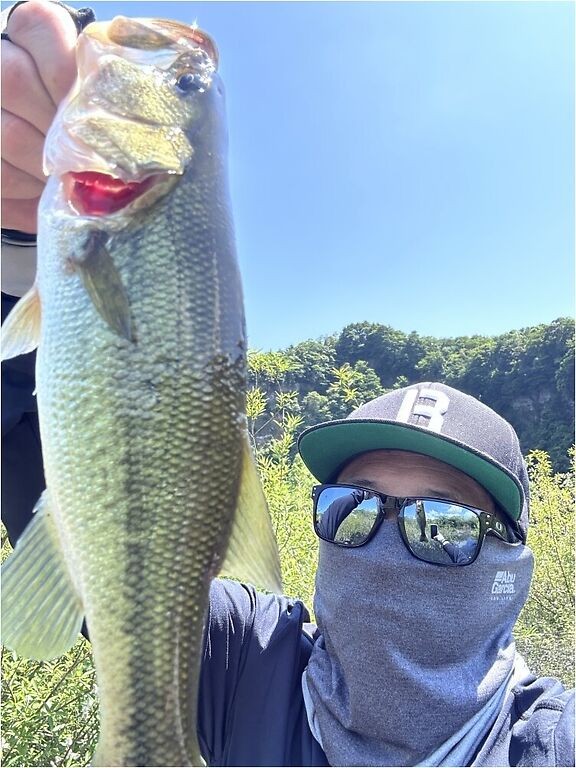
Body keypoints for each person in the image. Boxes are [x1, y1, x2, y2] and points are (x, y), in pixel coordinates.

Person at [1, 3, 574, 766]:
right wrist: (15, 254)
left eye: (444, 528)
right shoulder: (242, 659)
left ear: (511, 569)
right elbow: (26, 446)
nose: (385, 544)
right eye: (351, 510)